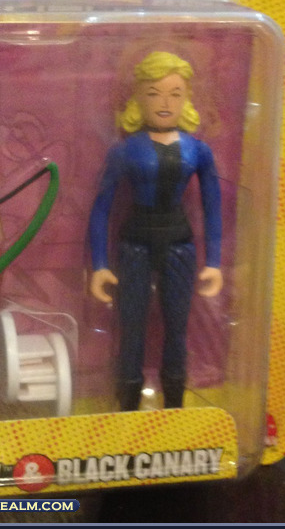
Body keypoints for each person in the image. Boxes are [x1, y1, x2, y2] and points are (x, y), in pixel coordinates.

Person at [89, 52, 222, 411]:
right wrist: (99, 264)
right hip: (135, 245)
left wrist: (214, 262)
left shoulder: (198, 150)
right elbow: (101, 208)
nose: (165, 103)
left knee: (177, 327)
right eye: (154, 93)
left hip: (179, 244)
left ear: (187, 98)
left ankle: (174, 403)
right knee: (131, 326)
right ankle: (128, 405)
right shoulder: (124, 151)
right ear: (138, 98)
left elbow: (212, 206)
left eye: (175, 93)